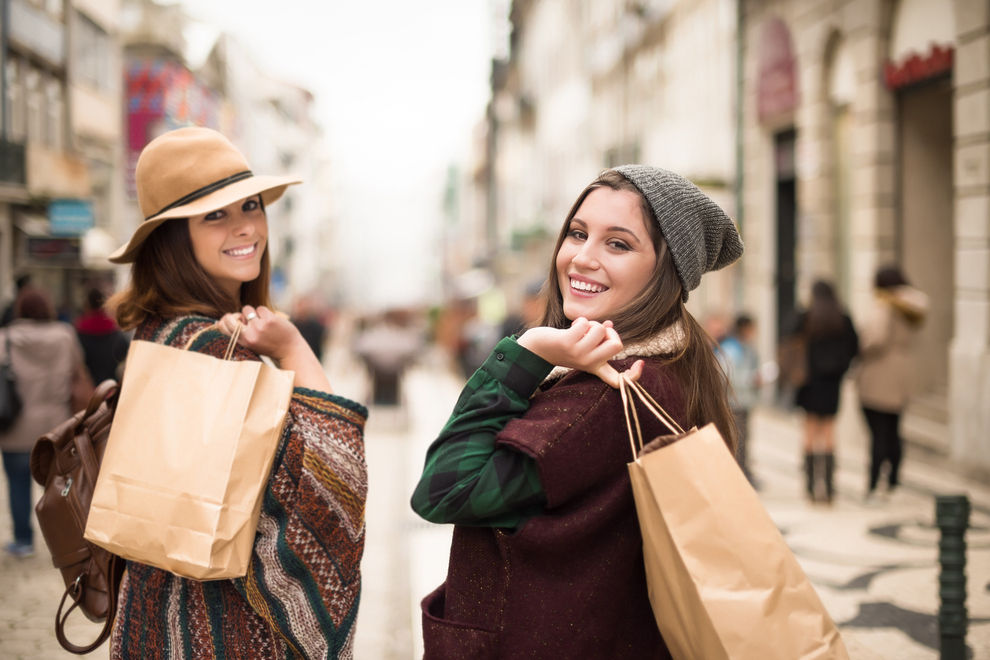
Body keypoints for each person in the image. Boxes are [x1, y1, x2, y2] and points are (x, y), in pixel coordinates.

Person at [410, 165, 743, 658]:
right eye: (578, 233)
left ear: (665, 272)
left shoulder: (605, 395)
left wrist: (525, 352)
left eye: (619, 244)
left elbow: (442, 490)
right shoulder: (677, 365)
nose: (582, 258)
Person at [105, 126, 367, 659]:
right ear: (174, 238)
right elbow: (335, 483)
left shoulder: (161, 333)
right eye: (215, 215)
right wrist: (293, 349)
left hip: (153, 621)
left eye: (250, 205)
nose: (245, 226)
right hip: (220, 631)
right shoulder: (209, 351)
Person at [0, 286, 89, 558]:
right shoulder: (65, 335)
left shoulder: (6, 338)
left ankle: (24, 542)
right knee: (59, 488)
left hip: (15, 428)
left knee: (17, 485)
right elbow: (78, 373)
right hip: (56, 428)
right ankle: (65, 543)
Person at [856, 265, 928, 501]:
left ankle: (874, 484)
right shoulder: (910, 307)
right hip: (902, 373)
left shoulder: (886, 306)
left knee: (878, 432)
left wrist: (861, 346)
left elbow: (875, 339)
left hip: (879, 373)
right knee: (894, 429)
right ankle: (894, 479)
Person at [790, 280, 859, 503]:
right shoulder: (842, 318)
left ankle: (810, 487)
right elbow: (855, 348)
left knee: (809, 431)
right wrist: (841, 368)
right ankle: (829, 489)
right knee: (829, 431)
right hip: (831, 384)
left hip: (809, 382)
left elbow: (788, 337)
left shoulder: (806, 317)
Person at [718, 313, 761, 486]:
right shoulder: (732, 348)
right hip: (734, 401)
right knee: (738, 439)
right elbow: (728, 374)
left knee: (742, 439)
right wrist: (752, 380)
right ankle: (737, 477)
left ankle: (741, 475)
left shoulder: (743, 347)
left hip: (742, 401)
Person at [74, 287, 131, 384]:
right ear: (104, 305)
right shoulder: (116, 332)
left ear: (87, 305)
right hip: (111, 387)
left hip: (88, 389)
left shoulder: (78, 331)